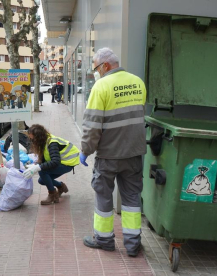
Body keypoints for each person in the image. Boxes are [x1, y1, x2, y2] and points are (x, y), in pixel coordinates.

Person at [80, 47, 147, 257]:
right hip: (134, 154)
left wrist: (85, 150)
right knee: (132, 199)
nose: (96, 73)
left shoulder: (101, 86)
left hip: (109, 155)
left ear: (105, 65)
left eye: (96, 68)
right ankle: (133, 244)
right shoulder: (138, 82)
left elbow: (92, 126)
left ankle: (104, 240)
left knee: (103, 198)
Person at [23, 124, 80, 205]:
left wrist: (38, 167)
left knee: (42, 171)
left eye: (33, 139)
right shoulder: (44, 141)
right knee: (42, 180)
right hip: (62, 162)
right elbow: (45, 159)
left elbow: (55, 162)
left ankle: (52, 194)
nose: (32, 141)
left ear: (39, 137)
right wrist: (35, 165)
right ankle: (61, 186)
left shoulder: (52, 143)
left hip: (68, 163)